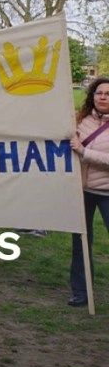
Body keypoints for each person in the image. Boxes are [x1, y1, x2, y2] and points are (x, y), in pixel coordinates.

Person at [68, 77, 109, 307]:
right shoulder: (80, 120)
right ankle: (81, 292)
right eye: (99, 93)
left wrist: (84, 152)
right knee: (81, 242)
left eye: (108, 94)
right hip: (81, 191)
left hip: (106, 193)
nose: (103, 97)